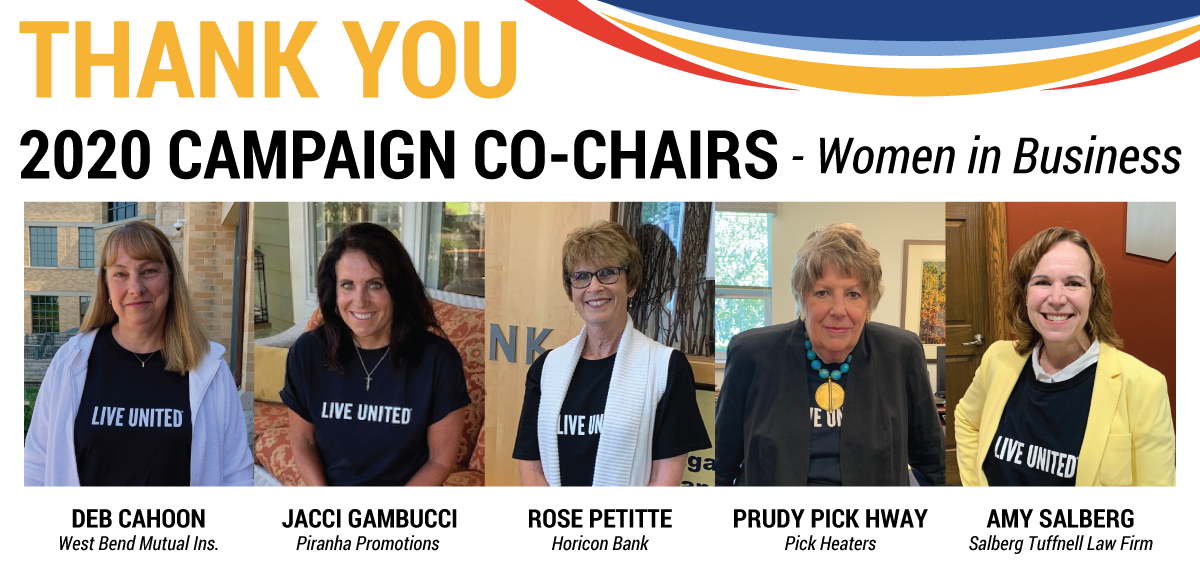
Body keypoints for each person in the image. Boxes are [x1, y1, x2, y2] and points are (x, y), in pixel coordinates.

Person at [24, 221, 252, 486]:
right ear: (106, 285)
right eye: (121, 274)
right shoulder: (69, 361)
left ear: (171, 279)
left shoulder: (209, 368)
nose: (135, 287)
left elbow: (236, 473)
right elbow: (36, 466)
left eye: (149, 271)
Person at [715, 223, 944, 486]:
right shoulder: (751, 354)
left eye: (853, 294)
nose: (838, 309)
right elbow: (723, 466)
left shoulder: (900, 352)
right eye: (822, 293)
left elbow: (933, 464)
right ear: (802, 298)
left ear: (869, 303)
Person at [955, 227, 1175, 486]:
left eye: (1073, 283)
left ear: (1093, 295)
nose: (1057, 299)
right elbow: (967, 421)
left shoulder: (1144, 386)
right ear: (1024, 293)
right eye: (1042, 282)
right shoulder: (997, 358)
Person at [513, 220, 711, 486]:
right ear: (572, 291)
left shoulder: (666, 368)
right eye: (581, 276)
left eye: (607, 273)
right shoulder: (546, 369)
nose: (594, 287)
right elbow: (532, 469)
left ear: (631, 285)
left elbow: (665, 479)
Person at [281, 222, 469, 486]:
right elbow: (303, 441)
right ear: (333, 291)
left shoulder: (438, 360)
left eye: (375, 285)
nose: (359, 301)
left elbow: (439, 460)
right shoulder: (307, 353)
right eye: (347, 285)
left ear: (397, 289)